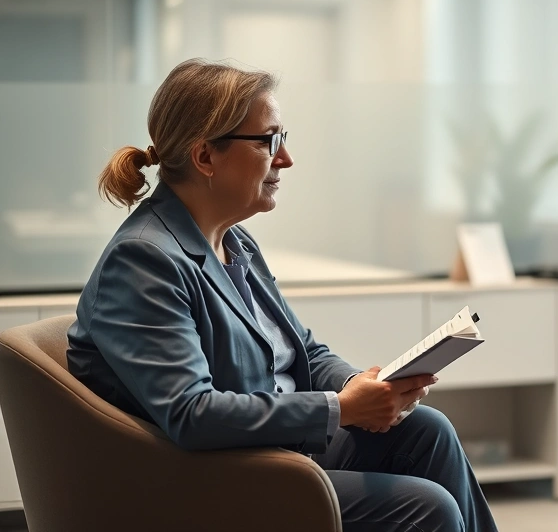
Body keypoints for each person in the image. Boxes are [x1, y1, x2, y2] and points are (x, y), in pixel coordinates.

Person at [67, 58, 499, 531]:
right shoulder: (143, 260)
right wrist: (341, 408)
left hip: (271, 449)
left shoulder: (233, 241)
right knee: (427, 506)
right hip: (212, 477)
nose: (285, 159)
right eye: (268, 142)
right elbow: (192, 413)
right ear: (206, 156)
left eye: (283, 140)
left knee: (427, 431)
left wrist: (364, 386)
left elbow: (303, 353)